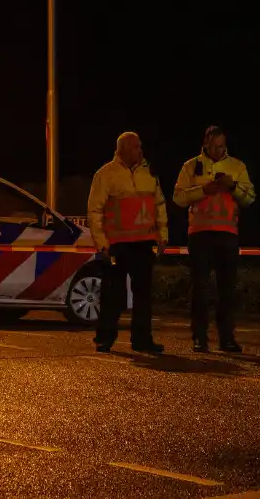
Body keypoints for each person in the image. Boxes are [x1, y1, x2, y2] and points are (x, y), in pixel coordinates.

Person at [173, 126, 256, 353]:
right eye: (216, 146)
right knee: (200, 289)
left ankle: (226, 338)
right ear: (207, 143)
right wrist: (203, 190)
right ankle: (199, 338)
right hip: (200, 233)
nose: (220, 150)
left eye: (223, 146)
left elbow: (250, 198)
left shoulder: (237, 166)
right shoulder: (190, 166)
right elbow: (178, 197)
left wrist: (233, 186)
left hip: (227, 233)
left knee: (227, 290)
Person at [87, 132, 168, 353]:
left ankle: (142, 340)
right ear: (122, 149)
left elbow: (159, 204)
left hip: (144, 243)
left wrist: (162, 236)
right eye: (135, 147)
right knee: (113, 294)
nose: (139, 150)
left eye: (140, 147)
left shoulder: (149, 172)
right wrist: (102, 243)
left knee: (143, 295)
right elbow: (95, 211)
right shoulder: (106, 175)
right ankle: (104, 338)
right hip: (117, 245)